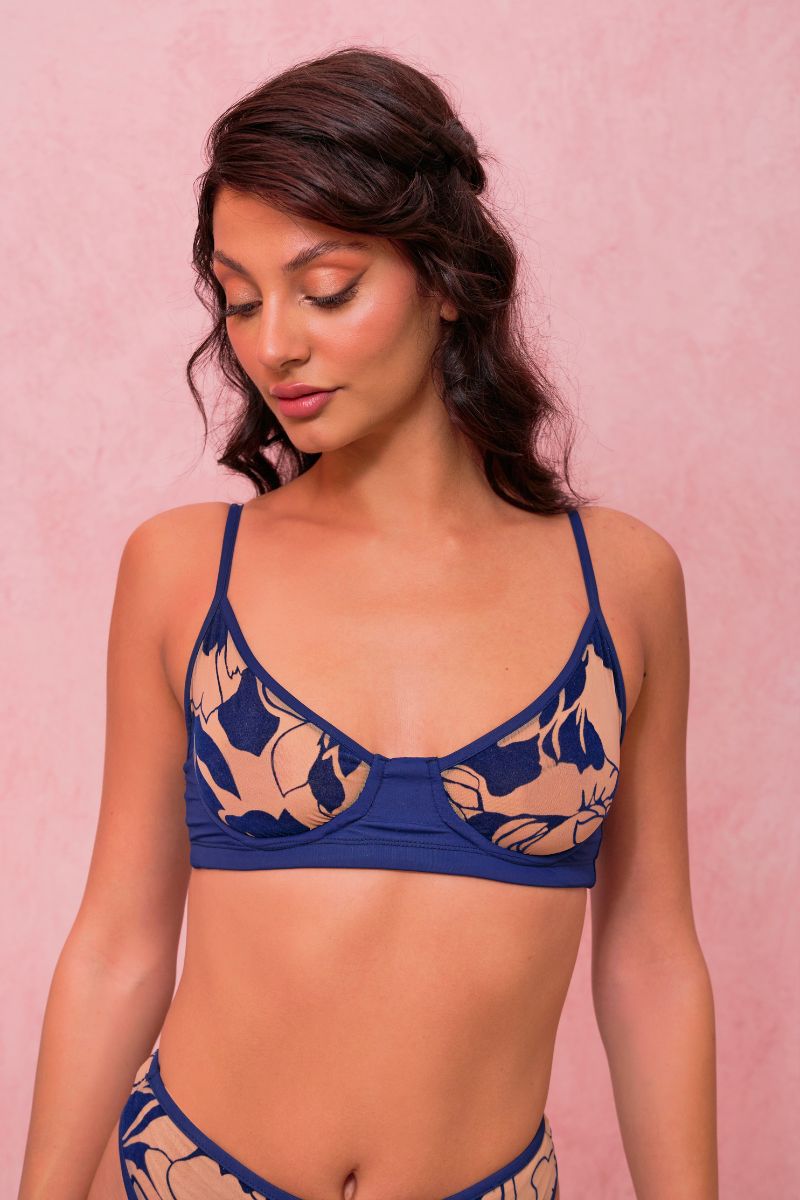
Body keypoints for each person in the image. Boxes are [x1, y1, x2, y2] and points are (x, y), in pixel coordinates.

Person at [17, 45, 718, 1200]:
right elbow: (118, 944)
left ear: (444, 279)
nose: (272, 345)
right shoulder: (186, 570)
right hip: (187, 1173)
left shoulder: (621, 582)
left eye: (326, 289)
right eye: (241, 299)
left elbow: (647, 961)